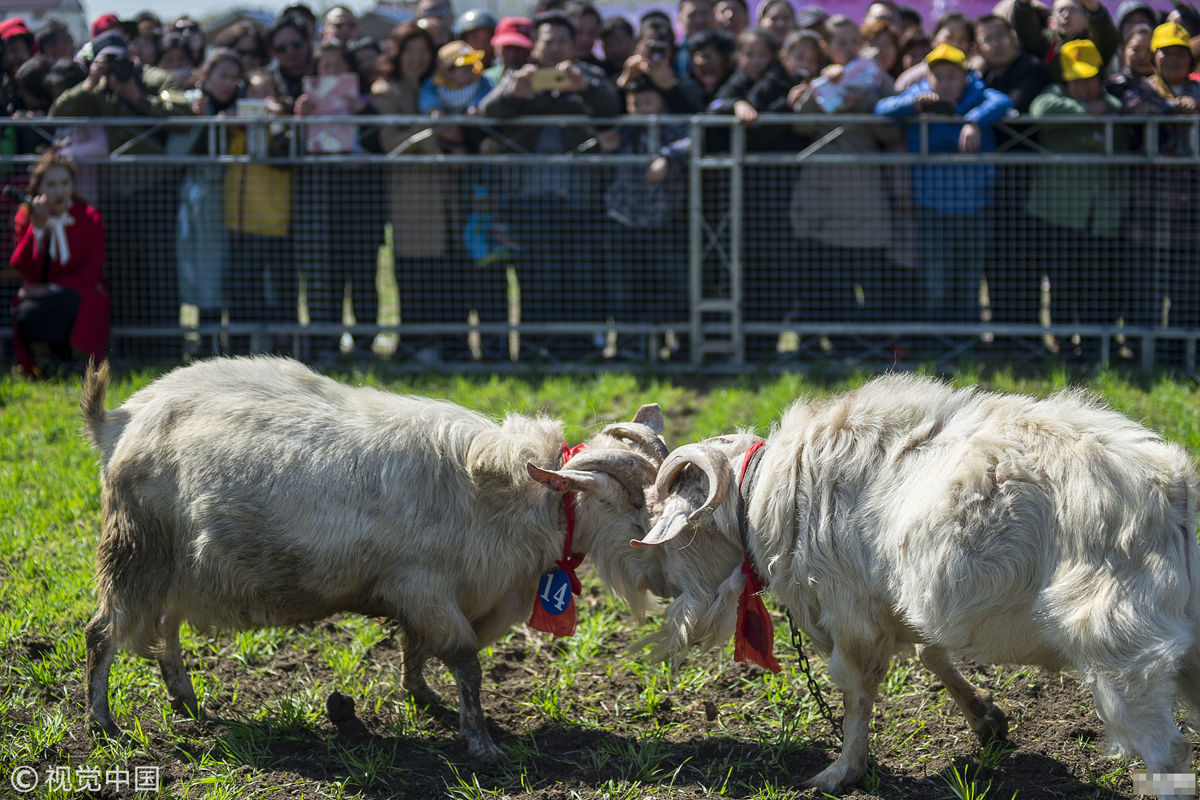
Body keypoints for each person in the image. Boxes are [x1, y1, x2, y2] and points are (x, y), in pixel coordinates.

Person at [477, 10, 621, 355]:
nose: (554, 48)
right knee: (535, 276)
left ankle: (579, 347)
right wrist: (515, 94)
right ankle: (534, 348)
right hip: (529, 197)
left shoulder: (589, 77)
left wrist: (583, 89)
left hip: (580, 196)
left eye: (561, 41)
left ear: (572, 45)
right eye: (547, 41)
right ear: (535, 46)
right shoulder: (517, 78)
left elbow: (612, 107)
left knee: (580, 273)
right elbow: (487, 114)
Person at [49, 27, 193, 358]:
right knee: (122, 270)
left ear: (131, 54)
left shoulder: (152, 78)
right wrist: (88, 85)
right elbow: (57, 115)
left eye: (120, 58)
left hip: (153, 188)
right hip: (113, 194)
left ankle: (166, 347)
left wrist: (135, 96)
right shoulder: (93, 87)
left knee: (159, 269)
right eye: (105, 59)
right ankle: (126, 348)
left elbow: (184, 115)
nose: (115, 65)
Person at [875, 43, 1014, 326]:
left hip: (977, 206)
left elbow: (1003, 101)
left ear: (965, 76)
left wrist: (973, 122)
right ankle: (937, 343)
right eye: (939, 76)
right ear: (929, 76)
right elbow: (882, 109)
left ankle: (967, 344)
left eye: (953, 76)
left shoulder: (978, 95)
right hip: (932, 206)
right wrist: (913, 104)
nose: (946, 83)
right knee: (935, 277)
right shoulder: (920, 94)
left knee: (970, 277)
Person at [790, 15, 900, 331]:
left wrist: (867, 105)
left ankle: (872, 346)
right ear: (827, 47)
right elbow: (799, 123)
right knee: (829, 276)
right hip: (821, 191)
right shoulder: (819, 79)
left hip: (864, 192)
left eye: (854, 41)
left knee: (869, 275)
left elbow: (895, 130)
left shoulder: (876, 77)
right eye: (841, 42)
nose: (848, 48)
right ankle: (832, 345)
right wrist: (822, 87)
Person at [1026, 40, 1132, 354]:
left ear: (1101, 77)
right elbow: (1039, 110)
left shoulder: (1113, 104)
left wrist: (1101, 108)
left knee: (1099, 281)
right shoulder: (1052, 98)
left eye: (1089, 78)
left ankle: (1095, 343)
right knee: (1061, 280)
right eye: (1075, 79)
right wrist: (1087, 111)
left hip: (1101, 214)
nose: (1083, 86)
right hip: (1059, 213)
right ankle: (1062, 342)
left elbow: (1116, 110)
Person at [598, 76, 691, 355]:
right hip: (622, 221)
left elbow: (697, 139)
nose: (640, 109)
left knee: (677, 286)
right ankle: (628, 350)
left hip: (662, 223)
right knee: (623, 290)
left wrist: (667, 156)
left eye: (648, 102)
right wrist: (605, 142)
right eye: (634, 103)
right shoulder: (623, 128)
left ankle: (652, 332)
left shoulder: (673, 125)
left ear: (662, 102)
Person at [5, 150, 109, 377]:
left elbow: (92, 271)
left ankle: (82, 365)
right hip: (41, 297)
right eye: (51, 185)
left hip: (78, 291)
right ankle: (45, 363)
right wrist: (38, 228)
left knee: (86, 300)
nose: (59, 191)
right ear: (38, 189)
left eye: (65, 183)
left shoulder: (90, 217)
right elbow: (22, 266)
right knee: (25, 311)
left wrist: (51, 288)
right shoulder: (26, 217)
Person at [223, 68, 297, 353]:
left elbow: (283, 160)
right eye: (254, 93)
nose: (260, 99)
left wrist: (277, 123)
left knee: (281, 291)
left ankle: (284, 350)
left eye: (267, 92)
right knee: (243, 290)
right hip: (240, 223)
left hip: (276, 223)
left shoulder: (286, 126)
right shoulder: (233, 127)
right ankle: (239, 349)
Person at [176, 48, 243, 337]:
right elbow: (174, 152)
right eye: (222, 75)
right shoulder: (187, 103)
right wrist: (197, 122)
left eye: (234, 77)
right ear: (205, 75)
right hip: (201, 202)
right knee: (206, 269)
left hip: (236, 199)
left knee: (232, 270)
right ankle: (205, 342)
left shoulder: (243, 107)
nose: (228, 83)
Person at [1010, 0, 1119, 84]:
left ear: (1086, 20)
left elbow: (1106, 36)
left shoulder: (1095, 43)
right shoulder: (1045, 43)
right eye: (1060, 11)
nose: (1066, 15)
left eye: (1072, 10)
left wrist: (1094, 8)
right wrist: (1023, 3)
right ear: (1050, 21)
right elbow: (1026, 30)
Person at [483, 17, 533, 83]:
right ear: (495, 48)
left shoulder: (539, 77)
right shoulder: (484, 79)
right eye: (507, 47)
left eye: (519, 48)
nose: (513, 54)